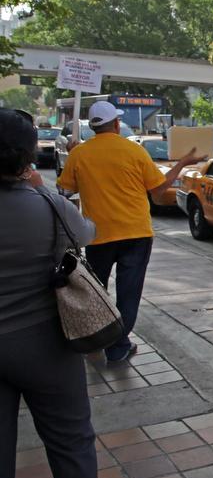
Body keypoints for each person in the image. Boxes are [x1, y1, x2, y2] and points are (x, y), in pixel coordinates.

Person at [57, 101, 202, 364]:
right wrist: (183, 163)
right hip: (136, 233)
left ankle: (99, 340)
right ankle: (118, 346)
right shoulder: (133, 151)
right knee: (129, 293)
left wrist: (72, 155)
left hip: (97, 235)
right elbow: (159, 190)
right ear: (115, 124)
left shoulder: (80, 154)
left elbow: (65, 190)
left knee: (96, 292)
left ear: (93, 127)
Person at [1, 108, 98, 476]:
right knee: (71, 441)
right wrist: (38, 189)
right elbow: (87, 233)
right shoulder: (47, 207)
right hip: (45, 343)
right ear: (27, 158)